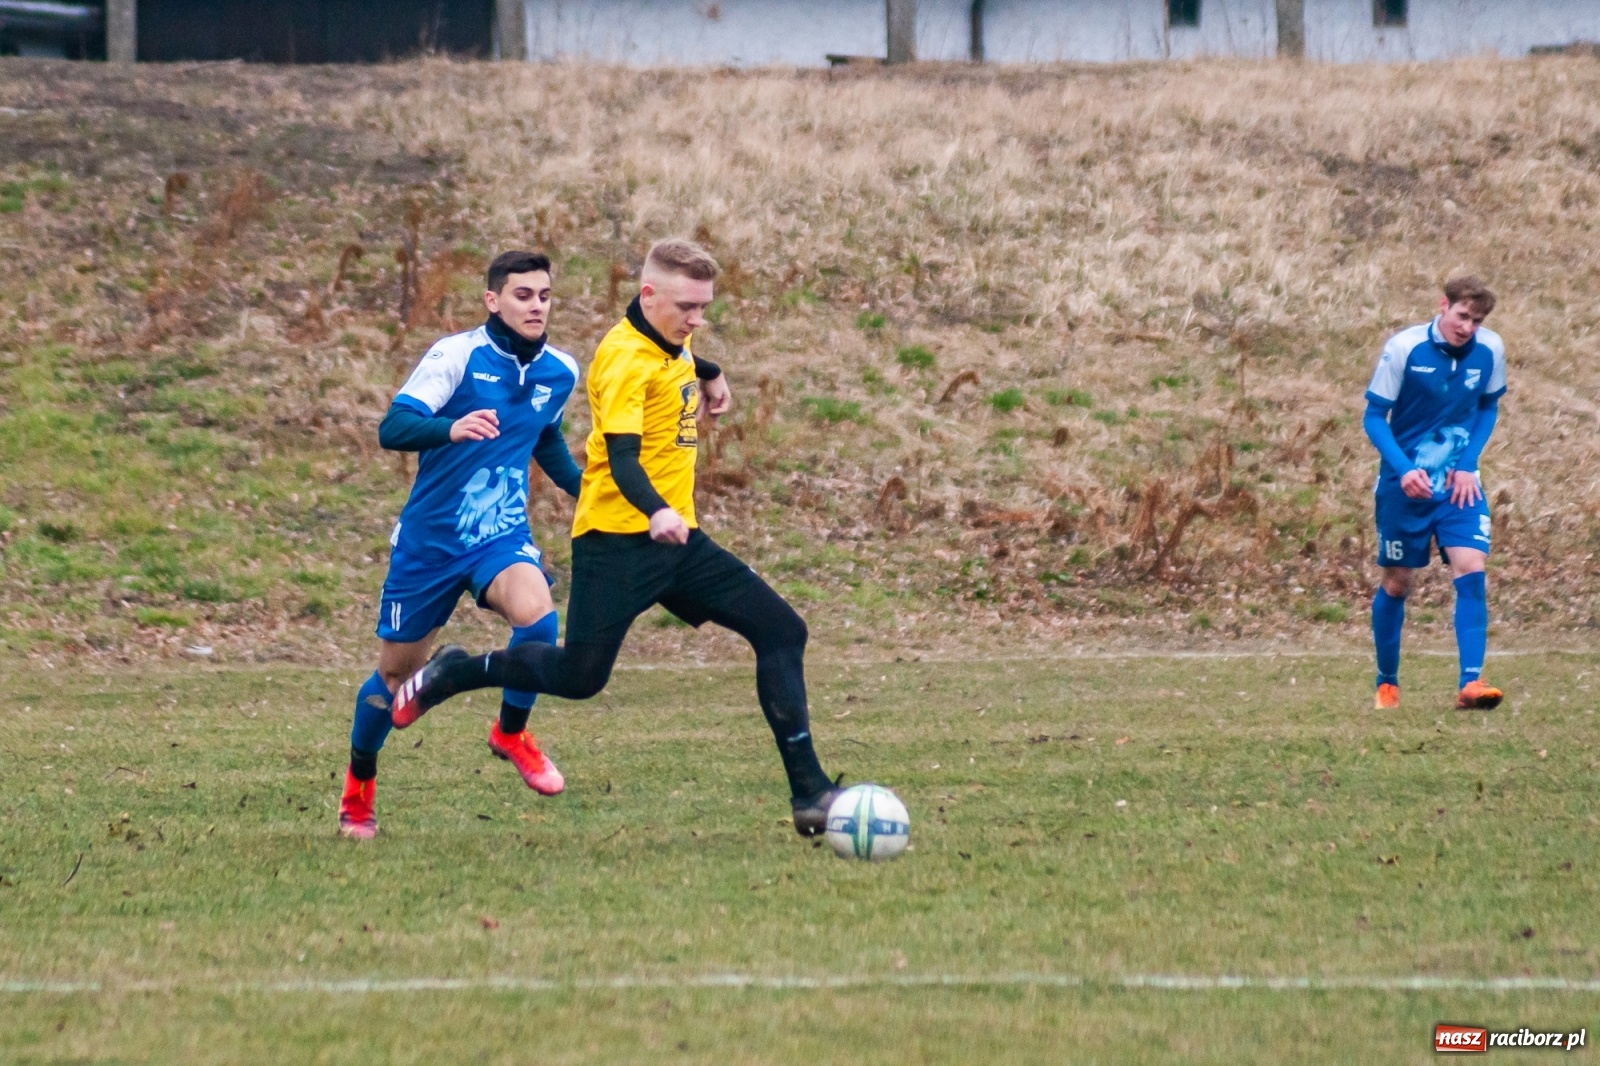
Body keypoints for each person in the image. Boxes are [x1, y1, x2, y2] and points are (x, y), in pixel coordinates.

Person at [388, 238, 844, 837]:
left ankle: (811, 795)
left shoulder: (669, 339)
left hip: (679, 542)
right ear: (649, 295)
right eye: (688, 307)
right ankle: (456, 673)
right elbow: (623, 459)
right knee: (580, 678)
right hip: (618, 541)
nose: (697, 320)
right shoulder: (622, 361)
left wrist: (709, 371)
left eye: (704, 308)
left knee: (782, 630)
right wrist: (656, 510)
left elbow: (677, 356)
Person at [337, 251, 583, 839]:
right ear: (493, 300)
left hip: (499, 533)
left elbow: (544, 438)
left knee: (539, 621)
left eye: (545, 295)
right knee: (394, 682)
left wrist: (592, 492)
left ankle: (510, 732)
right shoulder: (457, 354)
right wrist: (451, 426)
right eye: (523, 295)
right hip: (430, 543)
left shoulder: (560, 371)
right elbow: (392, 428)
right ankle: (358, 789)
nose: (536, 306)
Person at [1363, 275, 1506, 712]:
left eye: (1476, 320)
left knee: (1471, 566)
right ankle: (1388, 681)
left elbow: (1487, 407)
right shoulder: (1404, 349)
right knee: (1398, 582)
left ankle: (1470, 684)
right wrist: (1404, 470)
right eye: (1462, 316)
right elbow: (1374, 417)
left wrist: (1467, 465)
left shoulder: (1491, 350)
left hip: (1458, 485)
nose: (1467, 327)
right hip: (1404, 487)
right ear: (1443, 305)